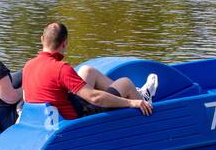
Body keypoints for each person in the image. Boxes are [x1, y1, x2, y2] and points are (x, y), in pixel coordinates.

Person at [22, 22, 155, 121]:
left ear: (42, 39)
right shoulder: (61, 68)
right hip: (75, 119)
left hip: (48, 116)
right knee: (125, 83)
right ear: (65, 43)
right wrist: (132, 103)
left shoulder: (28, 65)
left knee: (87, 70)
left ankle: (135, 93)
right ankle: (142, 101)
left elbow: (26, 97)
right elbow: (95, 99)